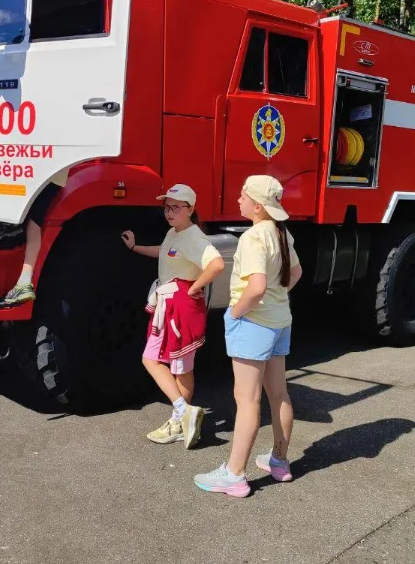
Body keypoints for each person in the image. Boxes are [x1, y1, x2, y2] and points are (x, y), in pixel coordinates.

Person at [194, 176, 302, 498]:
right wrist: (275, 296)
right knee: (278, 395)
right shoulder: (281, 232)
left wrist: (235, 313)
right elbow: (295, 273)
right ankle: (279, 462)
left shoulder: (253, 237)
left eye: (243, 196)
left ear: (257, 206)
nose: (238, 199)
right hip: (280, 321)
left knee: (247, 400)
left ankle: (234, 474)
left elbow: (255, 288)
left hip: (254, 324)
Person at [121, 184, 225, 449]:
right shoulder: (174, 233)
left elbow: (216, 264)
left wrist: (193, 287)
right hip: (170, 306)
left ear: (190, 209)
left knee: (166, 363)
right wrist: (135, 248)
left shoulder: (194, 237)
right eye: (166, 207)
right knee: (177, 367)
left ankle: (182, 414)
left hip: (181, 307)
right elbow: (164, 250)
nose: (169, 212)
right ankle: (182, 416)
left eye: (176, 207)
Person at [4, 170, 68, 304]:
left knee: (33, 222)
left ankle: (24, 282)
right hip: (55, 174)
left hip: (41, 172)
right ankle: (24, 280)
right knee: (35, 222)